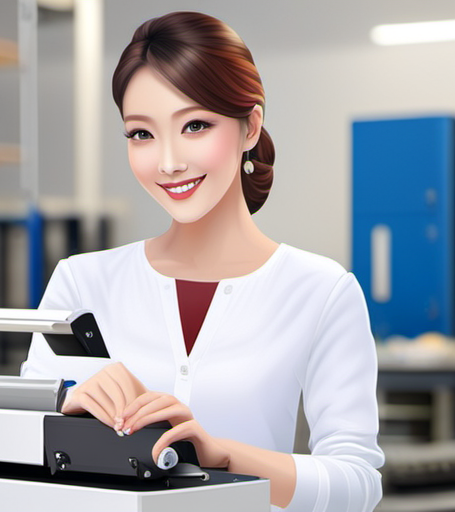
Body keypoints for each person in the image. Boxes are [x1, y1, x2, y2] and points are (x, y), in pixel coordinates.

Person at [21, 11, 385, 511]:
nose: (167, 162)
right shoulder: (82, 282)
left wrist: (224, 455)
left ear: (250, 126)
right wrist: (65, 400)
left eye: (194, 125)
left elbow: (358, 485)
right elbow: (14, 449)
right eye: (141, 134)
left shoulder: (322, 291)